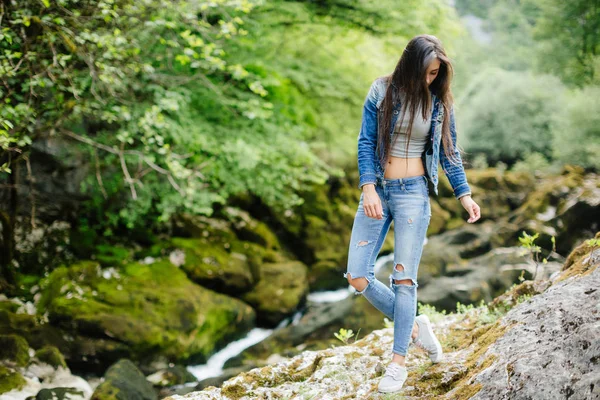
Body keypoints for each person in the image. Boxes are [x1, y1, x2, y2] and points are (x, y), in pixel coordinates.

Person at [343, 34, 482, 394]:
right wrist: (368, 186)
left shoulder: (439, 103)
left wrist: (464, 195)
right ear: (409, 65)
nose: (429, 80)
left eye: (435, 74)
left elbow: (449, 153)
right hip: (379, 191)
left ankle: (398, 362)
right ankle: (417, 327)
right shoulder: (381, 91)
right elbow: (364, 140)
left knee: (404, 281)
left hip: (413, 195)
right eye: (425, 72)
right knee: (357, 274)